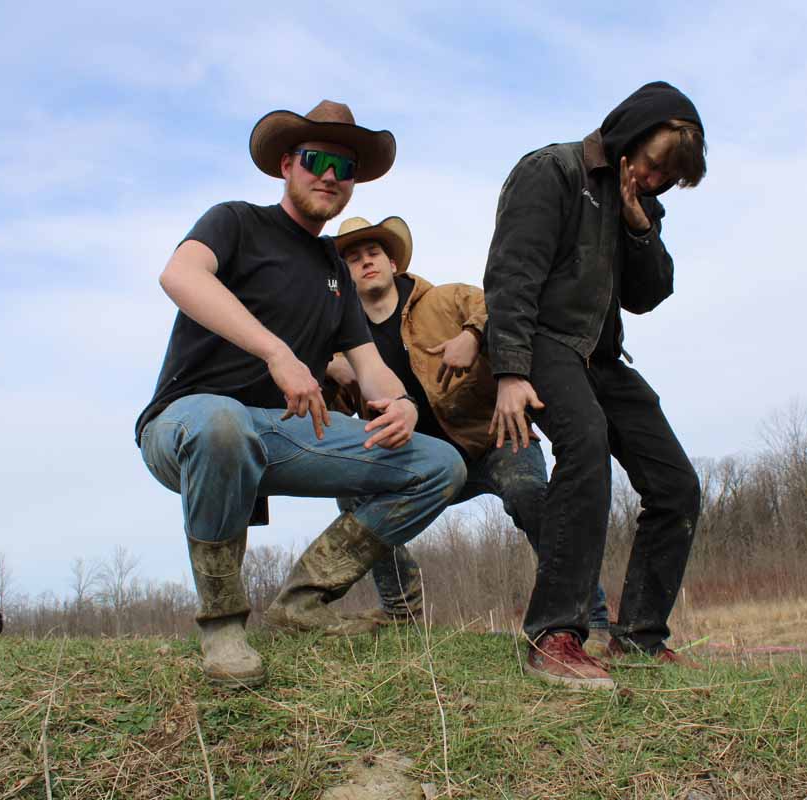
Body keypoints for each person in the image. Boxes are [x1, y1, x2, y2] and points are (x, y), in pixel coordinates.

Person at [135, 101, 466, 688]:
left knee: (440, 464)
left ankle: (303, 600)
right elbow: (179, 276)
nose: (330, 176)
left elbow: (372, 371)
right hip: (187, 425)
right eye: (317, 160)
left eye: (345, 168)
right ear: (287, 164)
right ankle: (223, 624)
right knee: (223, 423)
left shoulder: (335, 271)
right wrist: (276, 352)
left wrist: (403, 404)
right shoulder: (235, 222)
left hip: (283, 435)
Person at [483, 81, 708, 689]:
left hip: (600, 357)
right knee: (584, 445)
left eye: (669, 179)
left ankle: (639, 637)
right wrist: (510, 370)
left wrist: (639, 227)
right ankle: (555, 635)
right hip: (543, 343)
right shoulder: (552, 171)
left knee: (676, 484)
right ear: (631, 132)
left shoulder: (642, 204)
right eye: (654, 164)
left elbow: (648, 295)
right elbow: (510, 275)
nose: (655, 180)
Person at [325, 216, 615, 644]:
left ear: (393, 263)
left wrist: (474, 335)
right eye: (353, 259)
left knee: (530, 495)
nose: (366, 262)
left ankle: (592, 618)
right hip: (416, 461)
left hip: (491, 437)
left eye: (373, 253)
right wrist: (329, 369)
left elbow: (502, 304)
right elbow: (331, 411)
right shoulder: (347, 341)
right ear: (344, 278)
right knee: (351, 492)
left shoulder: (444, 300)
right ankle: (400, 610)